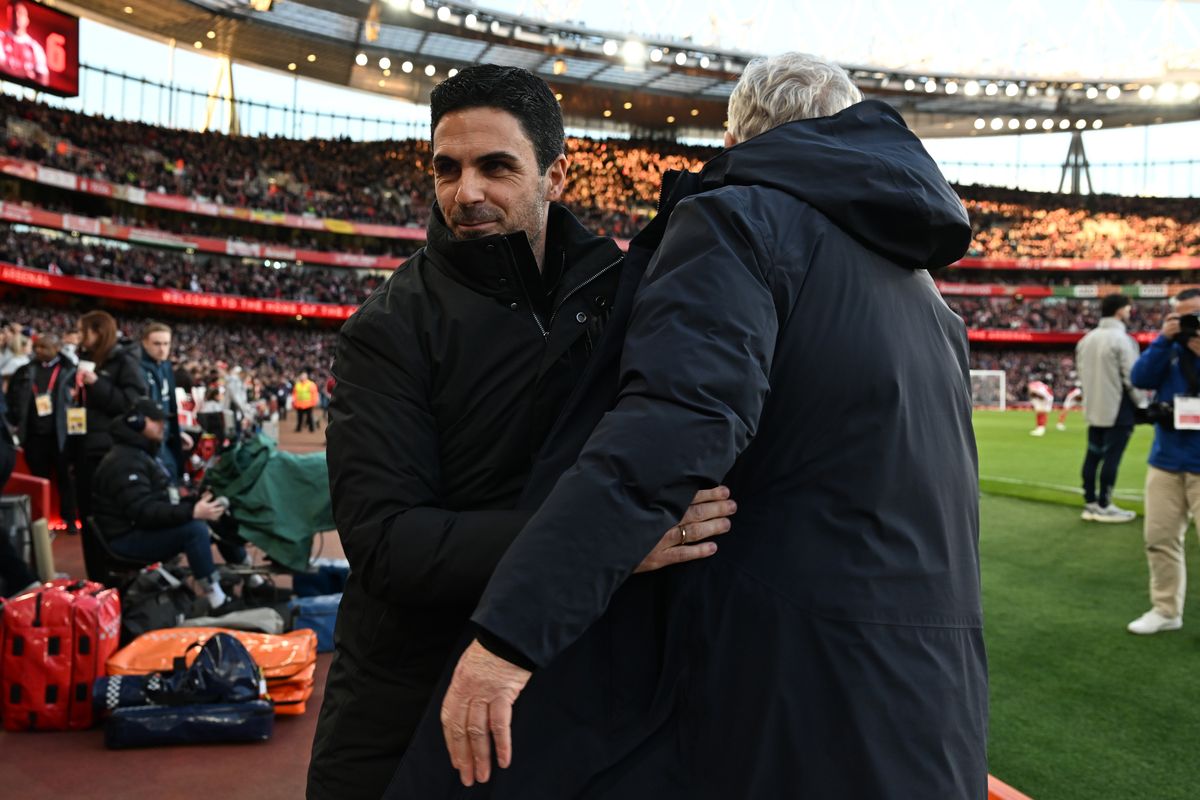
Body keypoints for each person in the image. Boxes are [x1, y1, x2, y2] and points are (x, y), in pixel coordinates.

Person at [400, 52, 986, 799]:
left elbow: (667, 434)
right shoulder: (928, 296)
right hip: (934, 703)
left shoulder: (740, 216)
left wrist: (510, 636)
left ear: (735, 141)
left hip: (797, 693)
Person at [308, 65, 734, 800]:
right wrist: (600, 540)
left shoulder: (621, 294)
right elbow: (387, 543)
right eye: (448, 168)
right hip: (408, 705)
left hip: (571, 703)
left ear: (556, 175)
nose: (465, 192)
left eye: (495, 166)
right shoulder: (387, 329)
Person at [91, 399, 239, 609]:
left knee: (212, 510)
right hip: (125, 538)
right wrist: (191, 512)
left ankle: (248, 574)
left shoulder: (140, 453)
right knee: (195, 529)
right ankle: (217, 600)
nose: (164, 425)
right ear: (137, 422)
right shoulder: (124, 461)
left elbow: (160, 499)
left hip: (138, 527)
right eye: (157, 421)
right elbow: (144, 511)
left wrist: (193, 503)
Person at [1127, 288, 1200, 634]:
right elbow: (1140, 378)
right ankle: (1166, 609)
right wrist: (1162, 340)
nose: (1191, 324)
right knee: (1159, 538)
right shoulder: (1168, 348)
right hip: (1167, 459)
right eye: (1183, 317)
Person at [73, 310, 148, 580]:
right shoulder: (84, 360)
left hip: (107, 451)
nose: (80, 337)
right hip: (84, 447)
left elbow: (131, 403)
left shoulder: (123, 360)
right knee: (88, 518)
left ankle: (114, 579)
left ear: (98, 331)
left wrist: (98, 384)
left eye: (84, 331)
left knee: (106, 517)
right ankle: (96, 580)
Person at [1075, 294, 1140, 523]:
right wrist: (1143, 404)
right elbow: (1133, 378)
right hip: (1118, 408)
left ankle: (1091, 503)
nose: (1130, 312)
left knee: (1092, 456)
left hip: (1094, 407)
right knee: (1112, 457)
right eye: (1128, 308)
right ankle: (1105, 504)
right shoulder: (1122, 339)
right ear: (1120, 310)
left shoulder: (1086, 339)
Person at [5, 332, 78, 533]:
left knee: (65, 480)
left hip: (60, 436)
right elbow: (12, 397)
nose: (39, 350)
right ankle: (42, 522)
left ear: (56, 349)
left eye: (44, 347)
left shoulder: (69, 371)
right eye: (37, 347)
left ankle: (70, 519)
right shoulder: (25, 371)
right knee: (39, 480)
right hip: (34, 436)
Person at [138, 322, 187, 483]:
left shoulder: (165, 367)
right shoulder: (137, 368)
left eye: (166, 343)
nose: (162, 349)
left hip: (166, 436)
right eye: (157, 343)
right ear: (145, 343)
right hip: (148, 441)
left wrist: (178, 432)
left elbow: (170, 404)